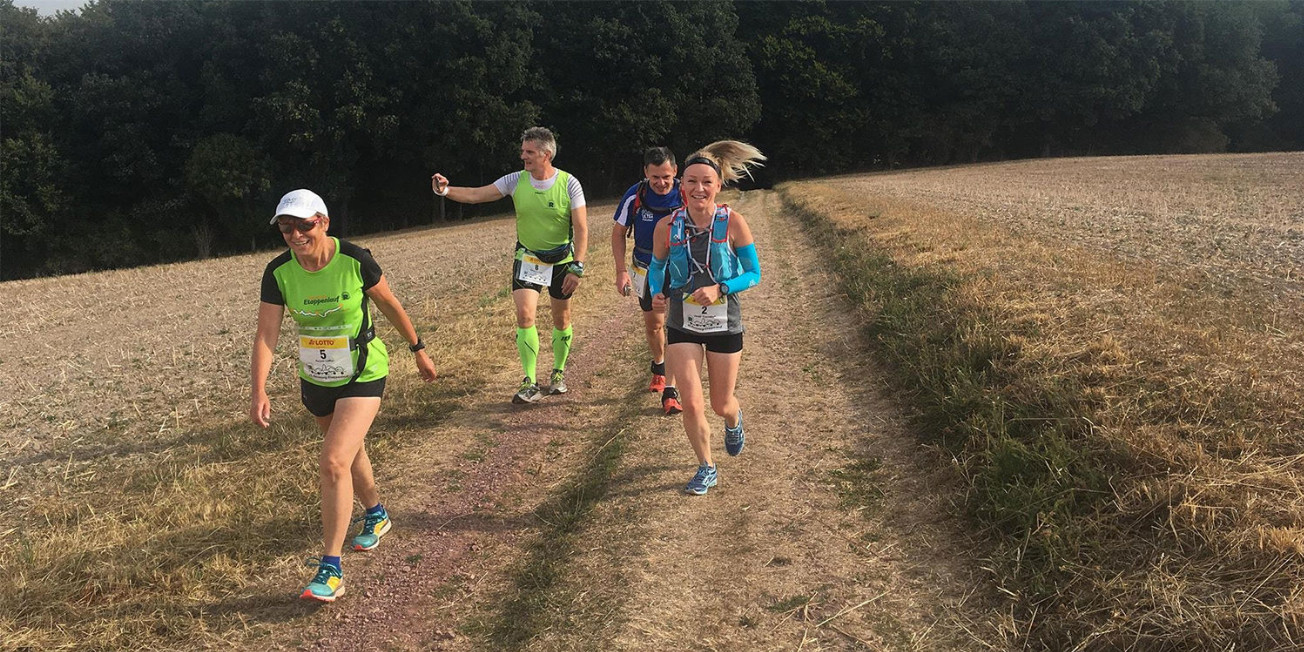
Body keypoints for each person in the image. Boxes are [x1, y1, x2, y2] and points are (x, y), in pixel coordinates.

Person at [250, 189, 438, 602]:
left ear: (324, 222)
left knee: (333, 460)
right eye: (286, 226)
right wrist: (258, 388)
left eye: (304, 225)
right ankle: (377, 514)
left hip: (363, 372)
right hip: (316, 378)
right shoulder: (278, 272)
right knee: (348, 453)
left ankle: (330, 568)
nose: (295, 234)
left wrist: (418, 349)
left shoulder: (354, 259)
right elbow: (267, 334)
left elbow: (389, 304)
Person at [430, 127, 588, 404]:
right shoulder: (516, 180)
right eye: (523, 150)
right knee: (525, 316)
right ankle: (529, 381)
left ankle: (558, 373)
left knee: (561, 319)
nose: (522, 156)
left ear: (546, 154)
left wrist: (577, 267)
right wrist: (446, 190)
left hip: (562, 260)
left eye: (529, 152)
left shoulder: (570, 183)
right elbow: (478, 195)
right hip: (528, 258)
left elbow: (582, 228)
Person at [648, 141, 765, 495]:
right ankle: (706, 466)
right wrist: (656, 290)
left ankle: (734, 419)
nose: (699, 189)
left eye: (707, 182)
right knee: (692, 399)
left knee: (719, 403)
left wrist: (721, 288)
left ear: (718, 186)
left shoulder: (734, 223)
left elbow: (754, 274)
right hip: (682, 323)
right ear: (681, 185)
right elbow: (657, 267)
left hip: (724, 323)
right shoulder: (667, 226)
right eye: (692, 182)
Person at [611, 146, 683, 414]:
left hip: (680, 269)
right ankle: (659, 364)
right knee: (654, 325)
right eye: (655, 177)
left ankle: (671, 391)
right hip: (646, 266)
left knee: (677, 327)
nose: (661, 183)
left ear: (675, 171)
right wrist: (621, 271)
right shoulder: (636, 195)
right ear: (646, 173)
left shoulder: (686, 192)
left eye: (666, 176)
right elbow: (618, 234)